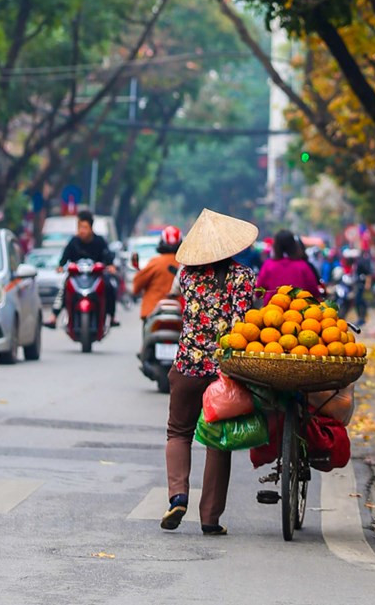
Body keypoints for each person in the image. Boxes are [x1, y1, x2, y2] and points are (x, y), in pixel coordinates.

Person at [161, 208, 257, 536]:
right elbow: (242, 322)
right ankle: (210, 518)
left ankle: (178, 495)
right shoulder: (242, 276)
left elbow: (178, 298)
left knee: (178, 432)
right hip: (222, 373)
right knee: (218, 440)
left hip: (187, 365)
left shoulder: (187, 275)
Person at [48, 209, 119, 327]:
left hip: (95, 276)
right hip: (76, 276)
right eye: (79, 227)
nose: (82, 231)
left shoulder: (99, 241)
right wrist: (60, 266)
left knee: (109, 286)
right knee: (64, 287)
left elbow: (107, 256)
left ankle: (112, 317)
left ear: (91, 228)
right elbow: (65, 256)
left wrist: (110, 266)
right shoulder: (73, 241)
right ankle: (54, 317)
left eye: (85, 227)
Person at [255, 229, 322, 301]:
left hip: (272, 310)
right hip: (300, 309)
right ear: (294, 245)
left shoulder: (268, 265)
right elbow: (314, 291)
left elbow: (258, 293)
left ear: (275, 245)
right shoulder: (303, 266)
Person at [132, 226, 181, 320]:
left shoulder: (155, 262)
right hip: (181, 312)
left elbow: (136, 287)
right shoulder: (186, 264)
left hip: (153, 311)